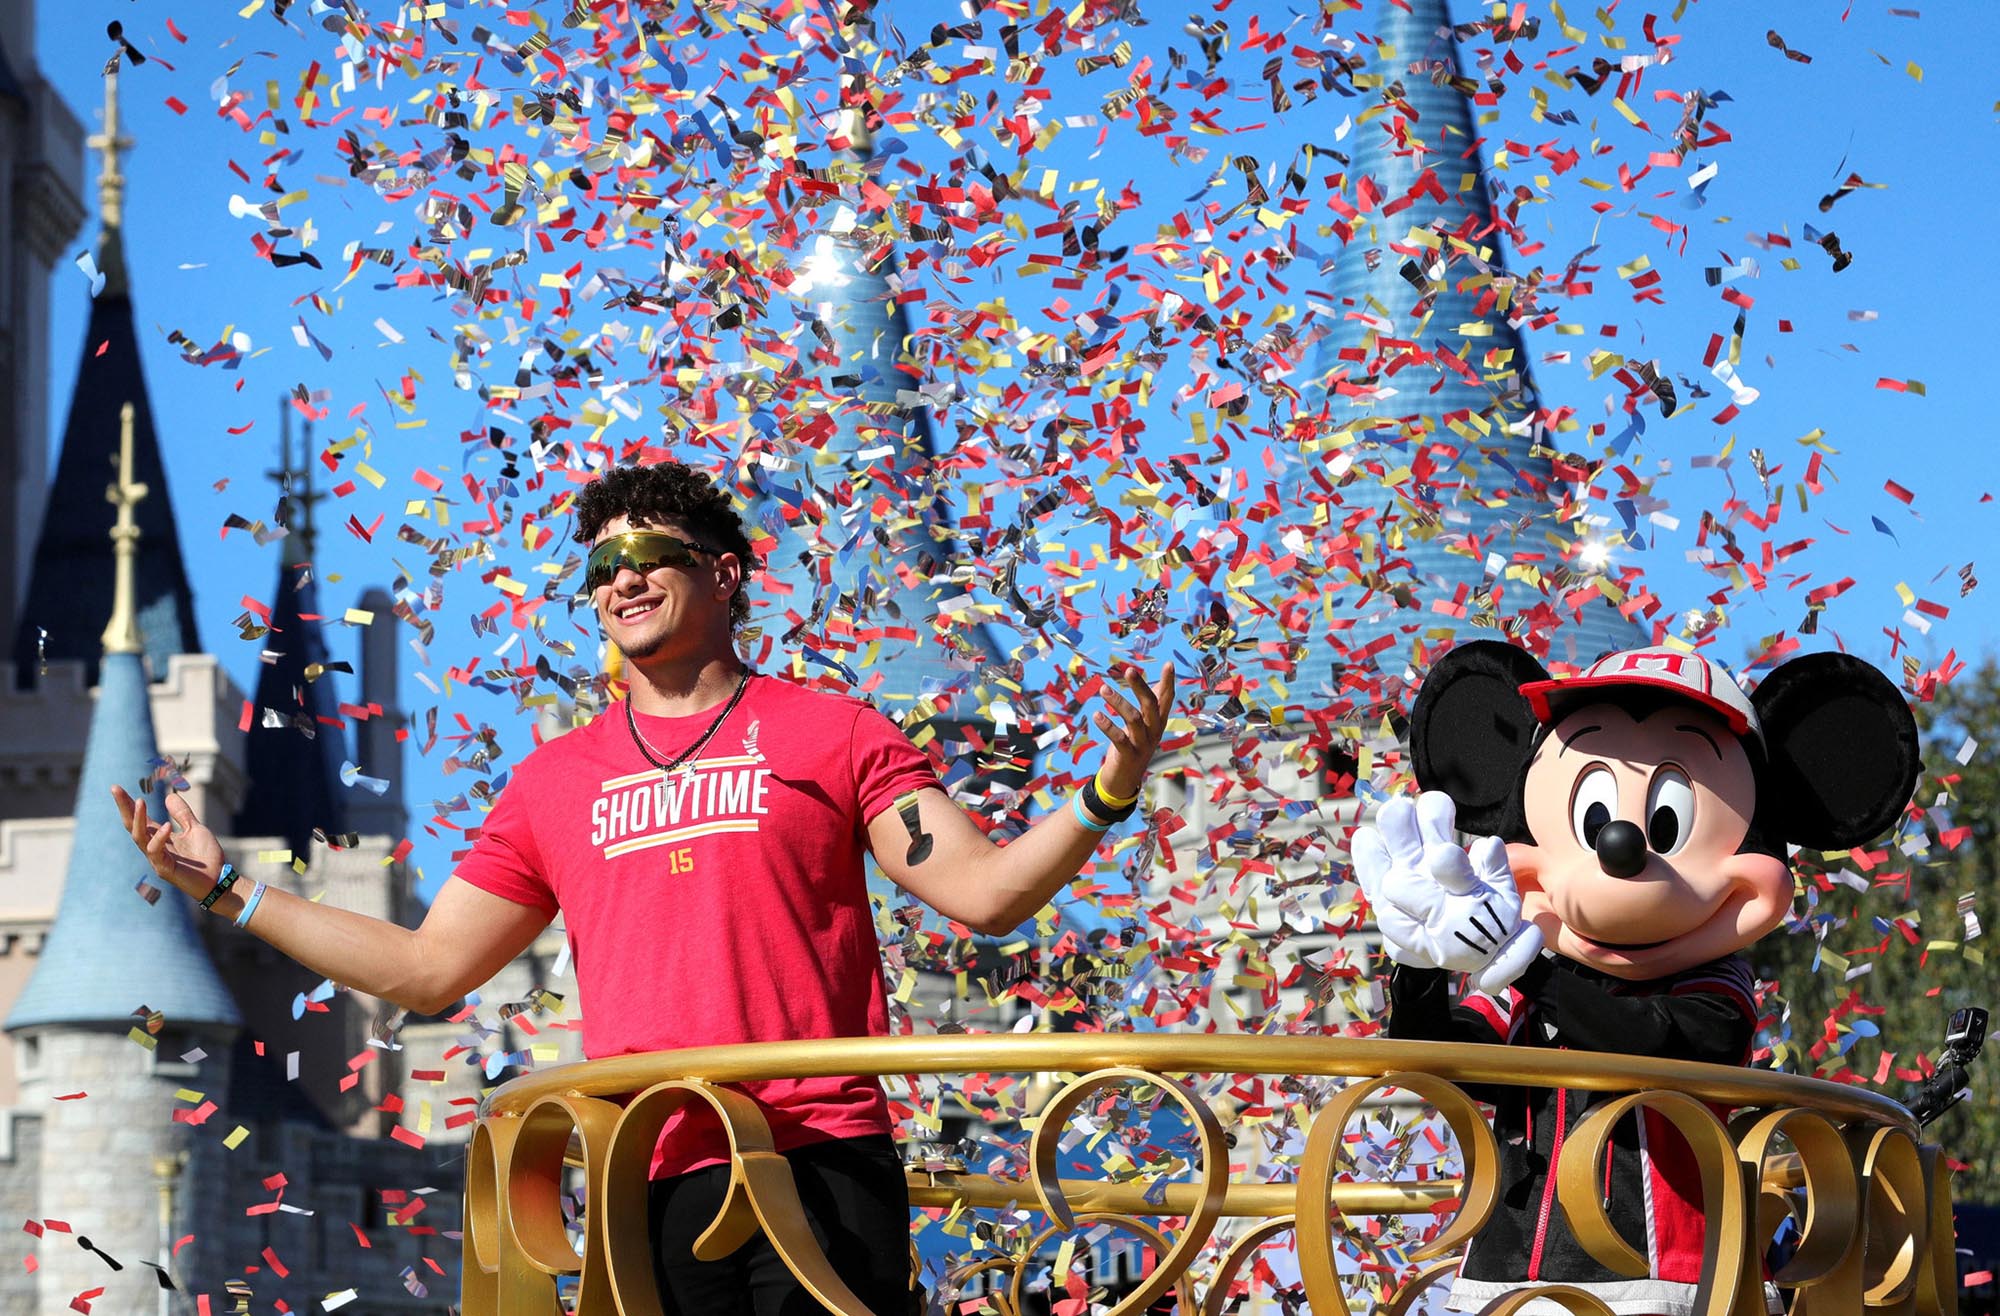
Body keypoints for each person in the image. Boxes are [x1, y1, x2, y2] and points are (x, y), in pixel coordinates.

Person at [113, 459, 1176, 1316]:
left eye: (646, 555)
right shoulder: (552, 783)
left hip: (820, 1155)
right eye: (599, 568)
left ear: (723, 575)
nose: (618, 581)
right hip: (648, 1170)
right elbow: (428, 968)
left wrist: (1102, 793)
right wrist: (230, 894)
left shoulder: (833, 733)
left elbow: (984, 892)